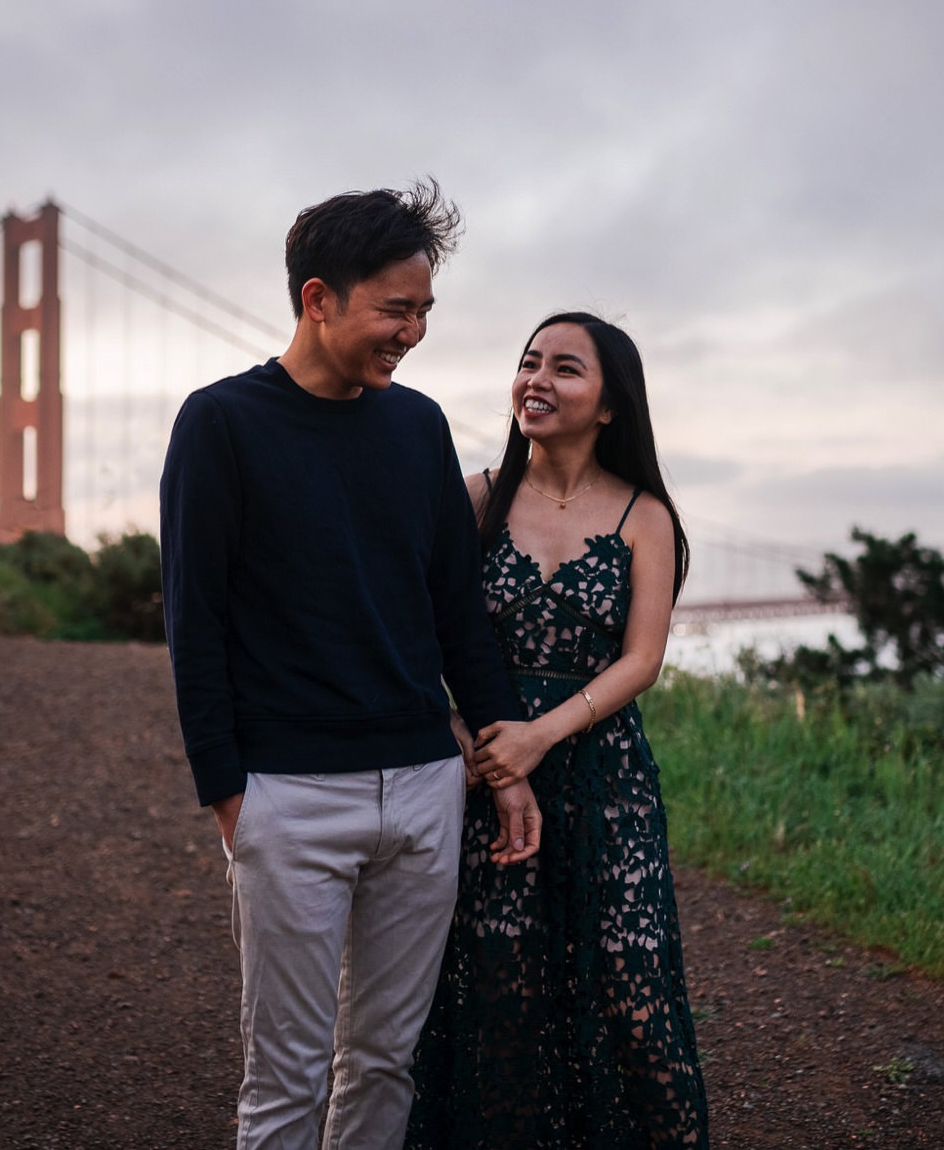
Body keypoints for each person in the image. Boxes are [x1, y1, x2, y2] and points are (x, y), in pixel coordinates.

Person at [160, 180, 543, 1150]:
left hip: (422, 785)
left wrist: (499, 762)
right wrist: (227, 794)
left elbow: (455, 608)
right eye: (394, 309)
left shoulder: (416, 428)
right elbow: (193, 621)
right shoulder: (220, 425)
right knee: (282, 1082)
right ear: (317, 298)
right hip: (287, 794)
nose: (412, 331)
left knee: (381, 1063)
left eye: (423, 311)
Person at [408, 311, 710, 1148]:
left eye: (565, 368)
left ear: (610, 405)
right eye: (528, 361)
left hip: (606, 777)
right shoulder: (477, 497)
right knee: (501, 989)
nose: (537, 378)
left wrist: (542, 734)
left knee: (632, 986)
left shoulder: (645, 515)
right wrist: (473, 735)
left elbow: (641, 658)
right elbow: (426, 631)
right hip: (487, 776)